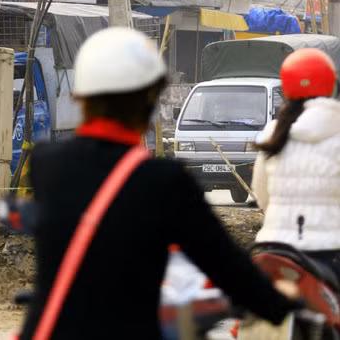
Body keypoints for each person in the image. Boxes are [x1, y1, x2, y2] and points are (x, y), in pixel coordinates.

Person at [19, 26, 300, 340]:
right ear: (151, 101)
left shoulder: (45, 163)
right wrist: (277, 302)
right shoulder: (165, 181)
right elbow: (228, 267)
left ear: (80, 98)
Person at [252, 47, 340, 278]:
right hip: (330, 251)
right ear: (332, 85)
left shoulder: (273, 131)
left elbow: (262, 195)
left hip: (276, 249)